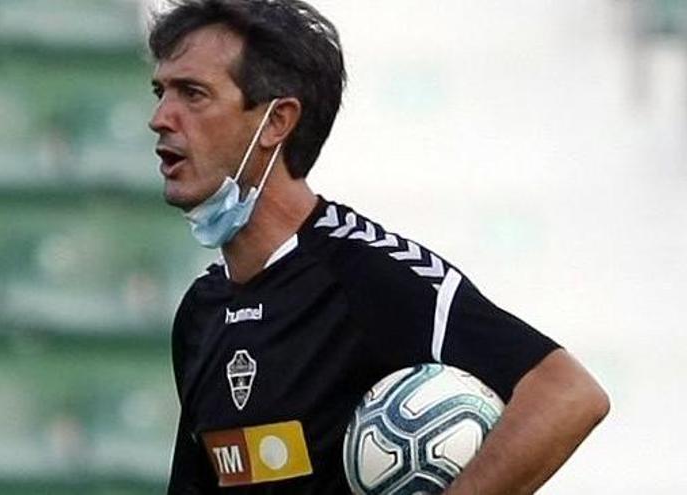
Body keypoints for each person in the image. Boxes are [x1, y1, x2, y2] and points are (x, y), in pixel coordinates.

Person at [147, 1, 610, 493]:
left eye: (192, 94)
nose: (159, 118)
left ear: (277, 121)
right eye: (160, 92)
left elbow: (567, 394)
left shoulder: (368, 276)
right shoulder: (202, 313)